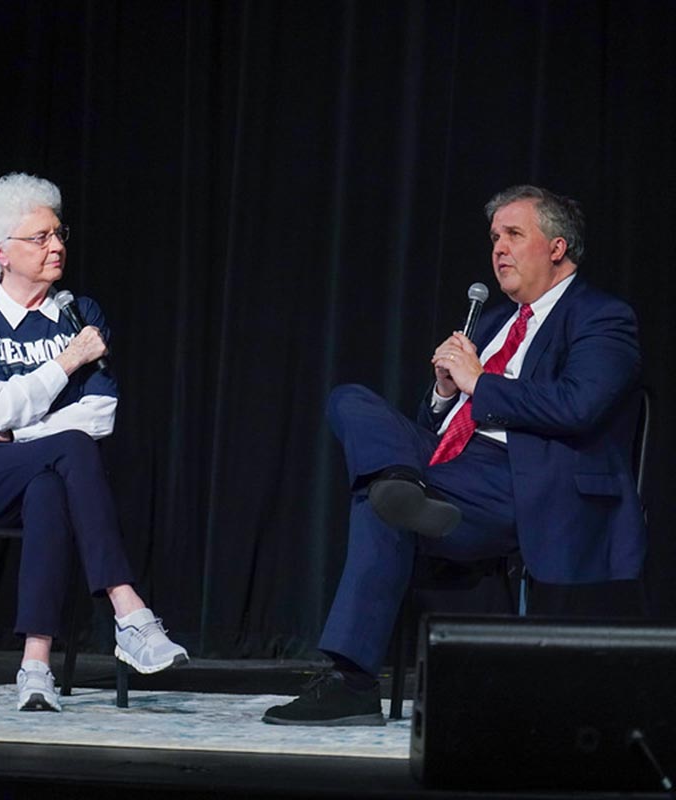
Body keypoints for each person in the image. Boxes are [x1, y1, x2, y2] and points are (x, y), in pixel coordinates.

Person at [263, 185, 645, 726]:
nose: (498, 250)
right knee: (350, 399)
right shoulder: (490, 324)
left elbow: (578, 406)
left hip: (526, 479)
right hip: (452, 468)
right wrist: (445, 391)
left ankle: (353, 683)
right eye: (494, 238)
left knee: (377, 504)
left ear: (557, 247)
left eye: (514, 235)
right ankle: (401, 484)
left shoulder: (602, 316)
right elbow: (432, 429)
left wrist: (480, 381)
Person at [0, 172, 188, 712]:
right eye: (40, 238)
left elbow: (100, 416)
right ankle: (129, 612)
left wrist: (16, 432)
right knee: (69, 448)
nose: (56, 246)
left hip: (33, 463)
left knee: (53, 484)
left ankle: (34, 668)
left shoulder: (80, 313)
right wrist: (67, 362)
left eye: (59, 234)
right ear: (1, 251)